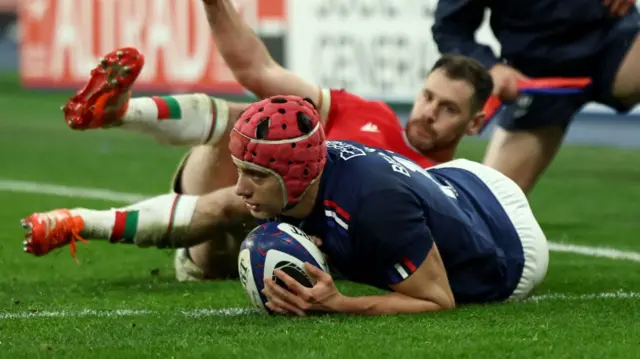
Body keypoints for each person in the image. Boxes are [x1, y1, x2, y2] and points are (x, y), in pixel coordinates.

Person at [22, 95, 548, 315]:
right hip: (455, 181)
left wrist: (337, 304)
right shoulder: (301, 176)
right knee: (227, 205)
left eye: (254, 174)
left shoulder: (376, 207)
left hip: (511, 244)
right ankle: (99, 178)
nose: (243, 185)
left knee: (391, 239)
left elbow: (439, 302)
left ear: (294, 175)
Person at [46, 28, 492, 281]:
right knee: (262, 121)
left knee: (242, 192)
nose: (429, 113)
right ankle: (119, 112)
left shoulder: (446, 182)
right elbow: (259, 71)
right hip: (236, 195)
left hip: (242, 245)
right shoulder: (369, 114)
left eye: (448, 108)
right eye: (428, 96)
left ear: (475, 124)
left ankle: (81, 223)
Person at [432, 0, 640, 194]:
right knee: (491, 201)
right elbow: (449, 29)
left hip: (613, 40)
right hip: (537, 77)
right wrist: (490, 67)